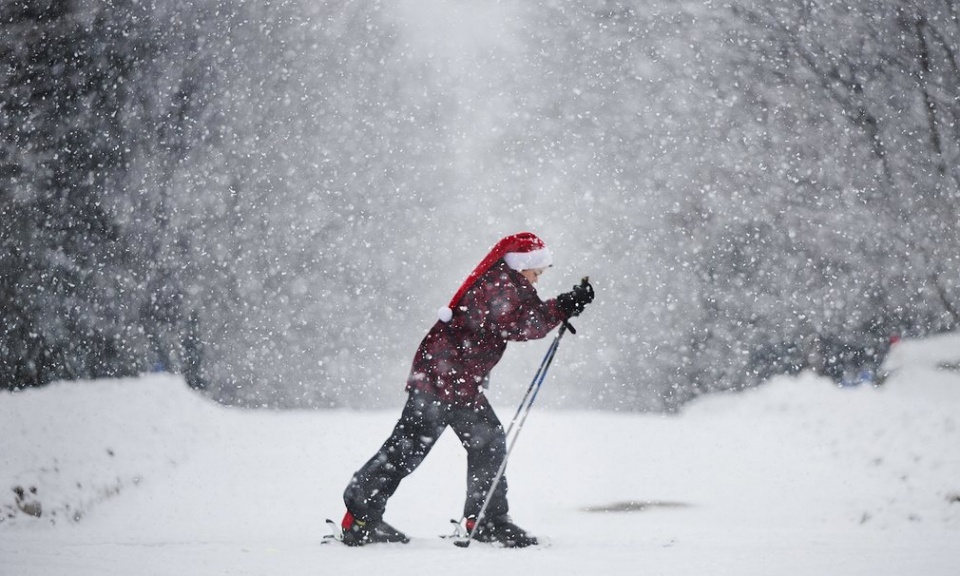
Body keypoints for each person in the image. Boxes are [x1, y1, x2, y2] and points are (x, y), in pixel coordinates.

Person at [338, 232, 594, 547]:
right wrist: (562, 306)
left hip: (451, 376)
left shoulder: (507, 283)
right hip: (446, 377)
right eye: (536, 272)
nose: (538, 279)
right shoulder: (499, 285)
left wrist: (564, 305)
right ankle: (482, 520)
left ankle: (368, 513)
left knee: (460, 443)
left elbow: (527, 316)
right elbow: (518, 324)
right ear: (521, 265)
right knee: (420, 447)